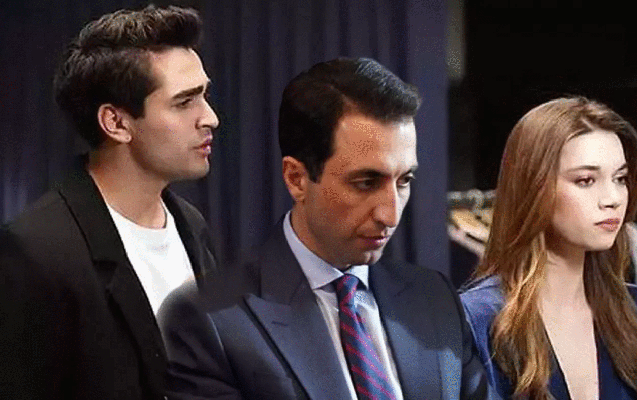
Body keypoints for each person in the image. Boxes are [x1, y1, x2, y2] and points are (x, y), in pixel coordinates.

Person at [159, 57, 488, 400]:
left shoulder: (436, 300)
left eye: (403, 181)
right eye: (366, 182)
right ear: (296, 179)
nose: (390, 215)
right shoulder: (210, 318)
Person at [0, 5, 219, 400]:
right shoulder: (37, 251)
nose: (210, 118)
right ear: (116, 123)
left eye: (204, 95)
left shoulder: (192, 225)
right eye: (184, 102)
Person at [460, 97, 637, 399]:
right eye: (586, 180)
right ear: (534, 186)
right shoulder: (478, 319)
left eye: (620, 178)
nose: (613, 198)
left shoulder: (631, 310)